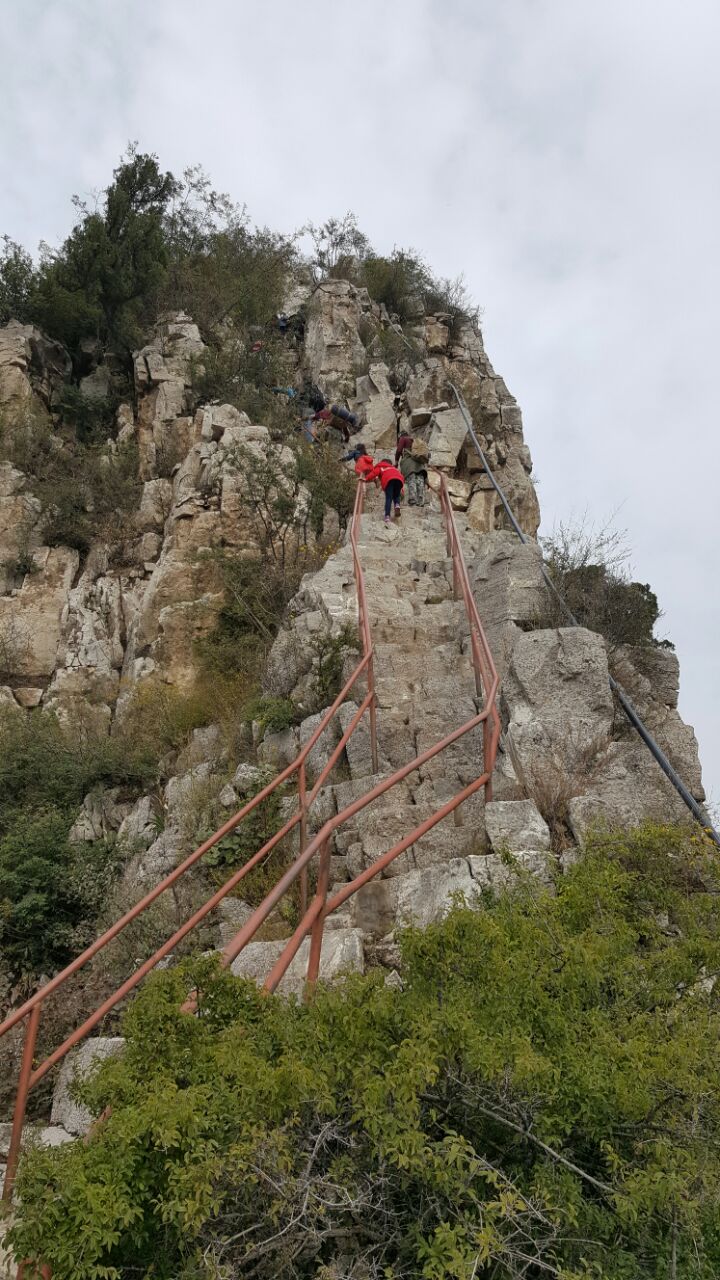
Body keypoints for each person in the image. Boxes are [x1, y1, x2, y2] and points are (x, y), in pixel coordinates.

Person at [364, 458, 405, 524]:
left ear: (382, 462)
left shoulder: (381, 467)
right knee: (396, 496)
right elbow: (401, 476)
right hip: (399, 480)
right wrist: (402, 491)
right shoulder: (394, 469)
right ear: (390, 464)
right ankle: (397, 505)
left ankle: (387, 516)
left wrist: (365, 479)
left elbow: (374, 473)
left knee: (389, 498)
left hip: (388, 480)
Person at [399, 437, 430, 506]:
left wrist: (396, 460)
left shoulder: (403, 439)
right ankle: (421, 501)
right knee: (420, 482)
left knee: (412, 481)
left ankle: (413, 500)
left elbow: (399, 450)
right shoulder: (416, 442)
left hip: (409, 465)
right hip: (420, 466)